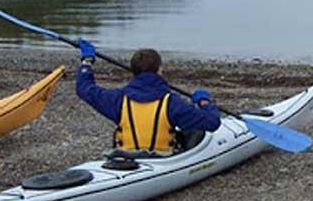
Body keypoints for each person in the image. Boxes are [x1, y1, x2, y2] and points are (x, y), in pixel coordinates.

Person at [75, 40, 221, 153]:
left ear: (134, 72)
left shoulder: (117, 99)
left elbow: (84, 88)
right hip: (163, 158)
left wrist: (87, 61)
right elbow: (213, 122)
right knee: (194, 131)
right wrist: (204, 102)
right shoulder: (172, 103)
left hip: (126, 156)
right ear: (159, 71)